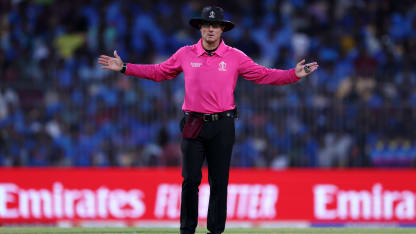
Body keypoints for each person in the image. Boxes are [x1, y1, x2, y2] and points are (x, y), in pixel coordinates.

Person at [98, 5, 318, 234]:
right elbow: (159, 72)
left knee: (219, 183)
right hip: (193, 124)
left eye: (216, 25)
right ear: (200, 28)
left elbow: (264, 75)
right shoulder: (185, 54)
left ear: (222, 29)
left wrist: (294, 75)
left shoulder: (235, 56)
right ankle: (187, 230)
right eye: (207, 25)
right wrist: (124, 67)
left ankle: (215, 231)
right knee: (190, 180)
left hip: (222, 125)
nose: (211, 29)